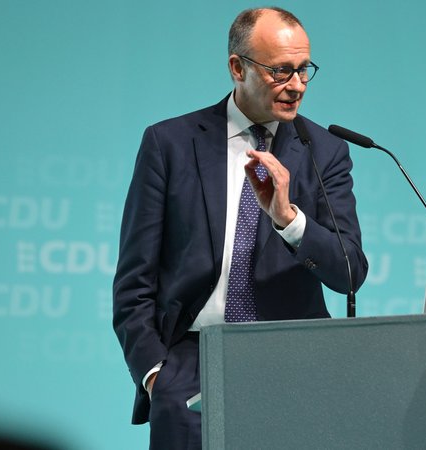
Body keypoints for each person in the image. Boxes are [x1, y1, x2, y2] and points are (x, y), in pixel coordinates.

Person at [112, 7, 368, 449]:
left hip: (294, 364)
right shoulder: (169, 143)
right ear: (237, 67)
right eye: (281, 71)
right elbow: (135, 279)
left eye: (304, 70)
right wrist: (157, 374)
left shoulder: (324, 151)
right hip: (193, 361)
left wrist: (289, 220)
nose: (298, 85)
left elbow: (349, 273)